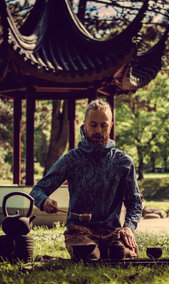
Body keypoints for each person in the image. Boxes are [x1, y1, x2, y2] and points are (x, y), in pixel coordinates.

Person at [29, 99, 143, 260]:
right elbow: (37, 190)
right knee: (90, 256)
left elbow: (135, 202)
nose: (98, 130)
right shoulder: (72, 159)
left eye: (103, 125)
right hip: (79, 231)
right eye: (93, 124)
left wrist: (129, 228)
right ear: (84, 126)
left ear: (110, 126)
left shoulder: (123, 162)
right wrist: (44, 201)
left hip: (114, 233)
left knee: (120, 255)